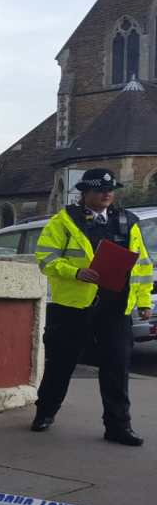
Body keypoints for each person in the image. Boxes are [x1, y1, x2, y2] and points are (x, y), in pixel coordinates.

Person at [32, 168, 153, 445]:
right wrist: (76, 272)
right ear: (84, 193)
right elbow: (45, 258)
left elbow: (142, 265)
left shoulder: (127, 221)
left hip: (117, 307)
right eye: (100, 190)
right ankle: (45, 412)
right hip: (74, 306)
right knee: (62, 363)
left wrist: (144, 301)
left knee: (117, 367)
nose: (107, 194)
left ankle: (119, 426)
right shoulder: (64, 221)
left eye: (110, 190)